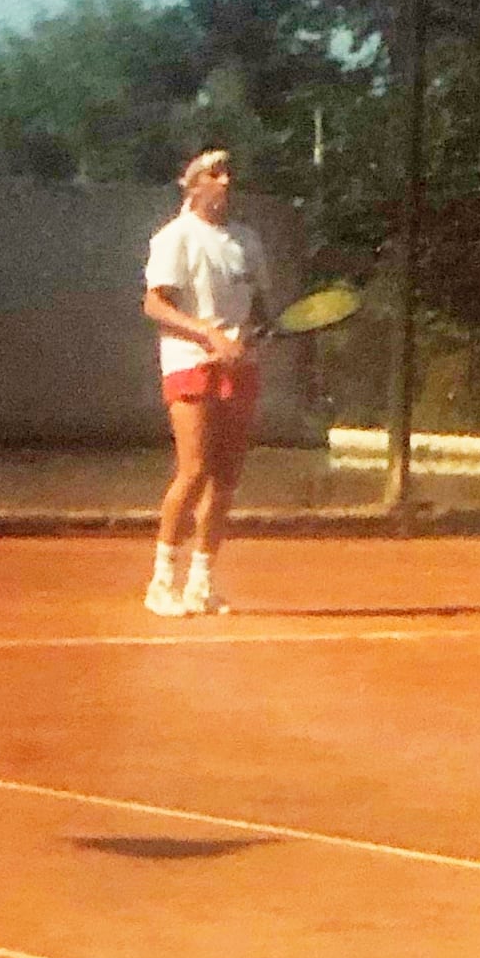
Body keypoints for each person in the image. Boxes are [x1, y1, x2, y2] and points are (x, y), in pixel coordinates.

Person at [141, 148, 270, 617]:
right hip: (188, 362)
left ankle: (201, 584)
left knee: (226, 479)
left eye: (229, 172)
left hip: (239, 365)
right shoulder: (174, 238)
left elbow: (258, 307)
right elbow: (155, 305)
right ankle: (161, 584)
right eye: (215, 173)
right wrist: (208, 333)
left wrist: (248, 335)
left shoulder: (246, 241)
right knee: (193, 470)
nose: (226, 180)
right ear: (193, 185)